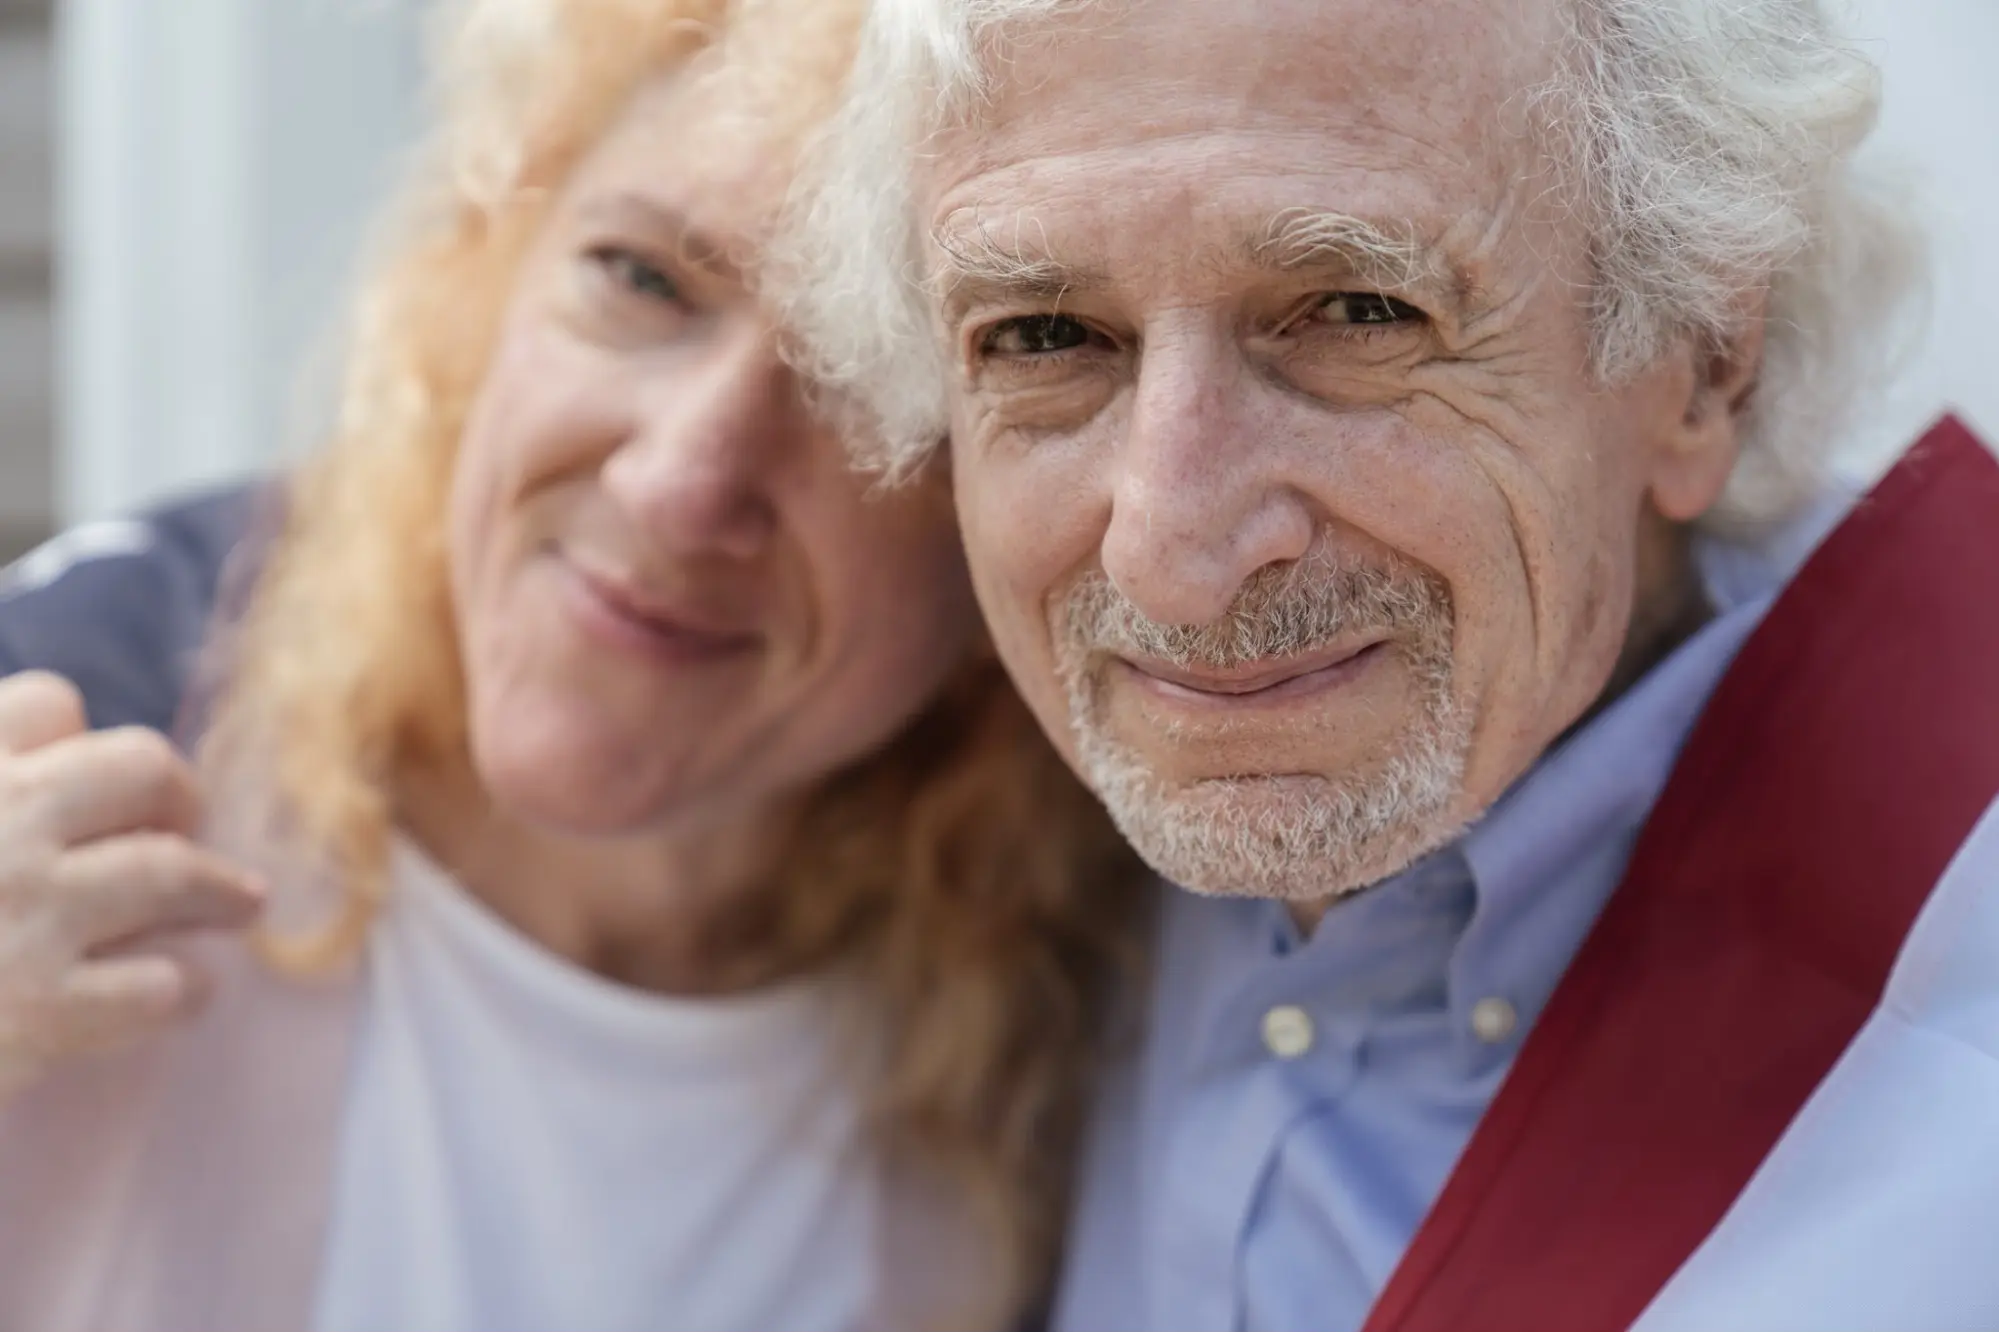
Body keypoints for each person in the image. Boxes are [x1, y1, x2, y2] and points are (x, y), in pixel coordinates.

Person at [773, 0, 1999, 1328]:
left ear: (1703, 361)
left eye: (1355, 313)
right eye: (1043, 338)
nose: (1169, 556)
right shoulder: (947, 861)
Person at [0, 1, 1142, 1329]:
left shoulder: (1120, 991)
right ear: (487, 275)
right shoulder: (81, 702)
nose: (677, 484)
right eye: (643, 279)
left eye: (864, 389)